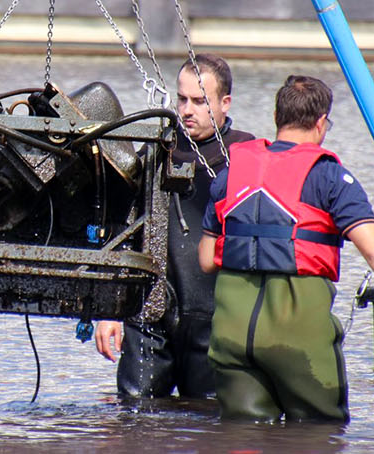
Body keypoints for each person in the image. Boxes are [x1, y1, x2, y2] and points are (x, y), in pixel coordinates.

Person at [198, 75, 374, 421]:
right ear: (321, 124)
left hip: (232, 333)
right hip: (296, 336)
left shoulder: (231, 173)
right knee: (320, 434)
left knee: (242, 436)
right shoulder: (329, 177)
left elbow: (206, 260)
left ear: (278, 118)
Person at [93, 54, 254, 399]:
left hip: (216, 319)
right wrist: (108, 311)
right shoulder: (155, 149)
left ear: (224, 103)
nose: (187, 110)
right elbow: (123, 232)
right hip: (151, 314)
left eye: (199, 101)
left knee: (210, 422)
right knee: (135, 418)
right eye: (182, 99)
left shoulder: (245, 155)